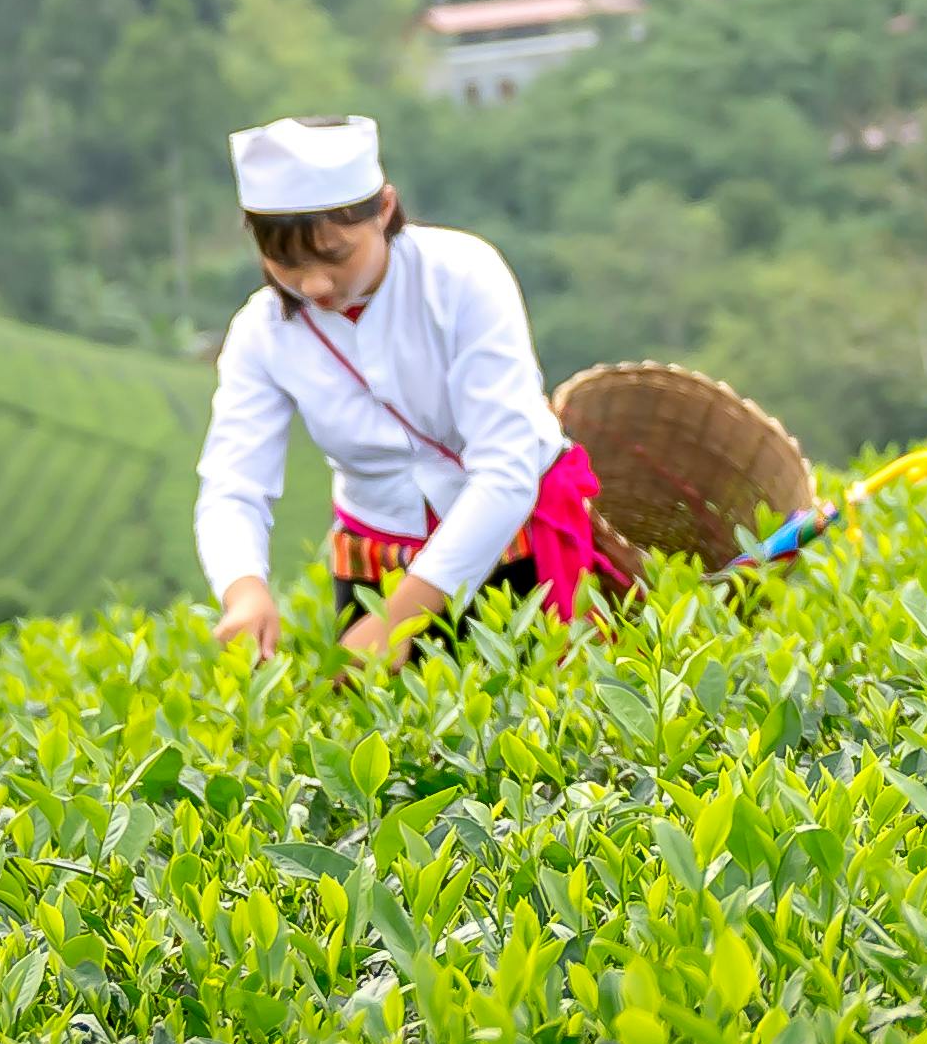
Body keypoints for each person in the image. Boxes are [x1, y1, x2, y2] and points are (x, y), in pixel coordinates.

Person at [195, 115, 626, 665]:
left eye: (335, 255)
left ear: (384, 209)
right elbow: (233, 485)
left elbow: (506, 467)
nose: (313, 286)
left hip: (510, 542)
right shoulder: (263, 332)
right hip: (376, 561)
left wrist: (401, 620)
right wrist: (243, 588)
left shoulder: (462, 275)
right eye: (285, 263)